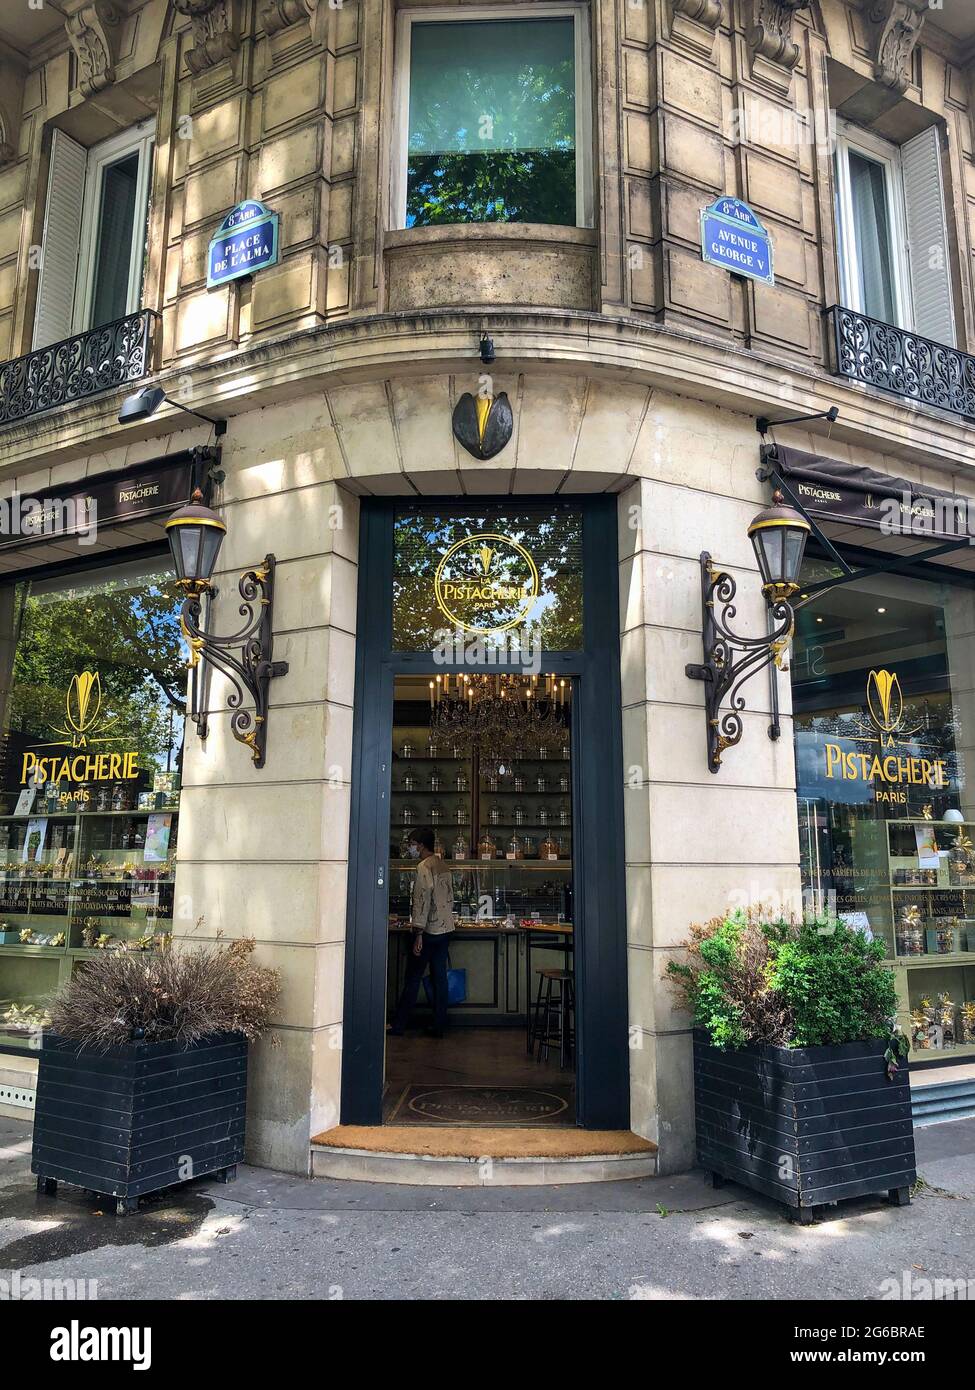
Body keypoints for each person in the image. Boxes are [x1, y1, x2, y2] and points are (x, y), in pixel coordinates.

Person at [388, 827, 455, 1038]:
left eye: (412, 844)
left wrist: (417, 933)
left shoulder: (424, 867)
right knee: (440, 978)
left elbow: (422, 901)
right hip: (445, 929)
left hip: (427, 931)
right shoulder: (444, 865)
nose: (411, 848)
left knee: (413, 978)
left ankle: (399, 1025)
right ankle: (439, 1025)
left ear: (421, 845)